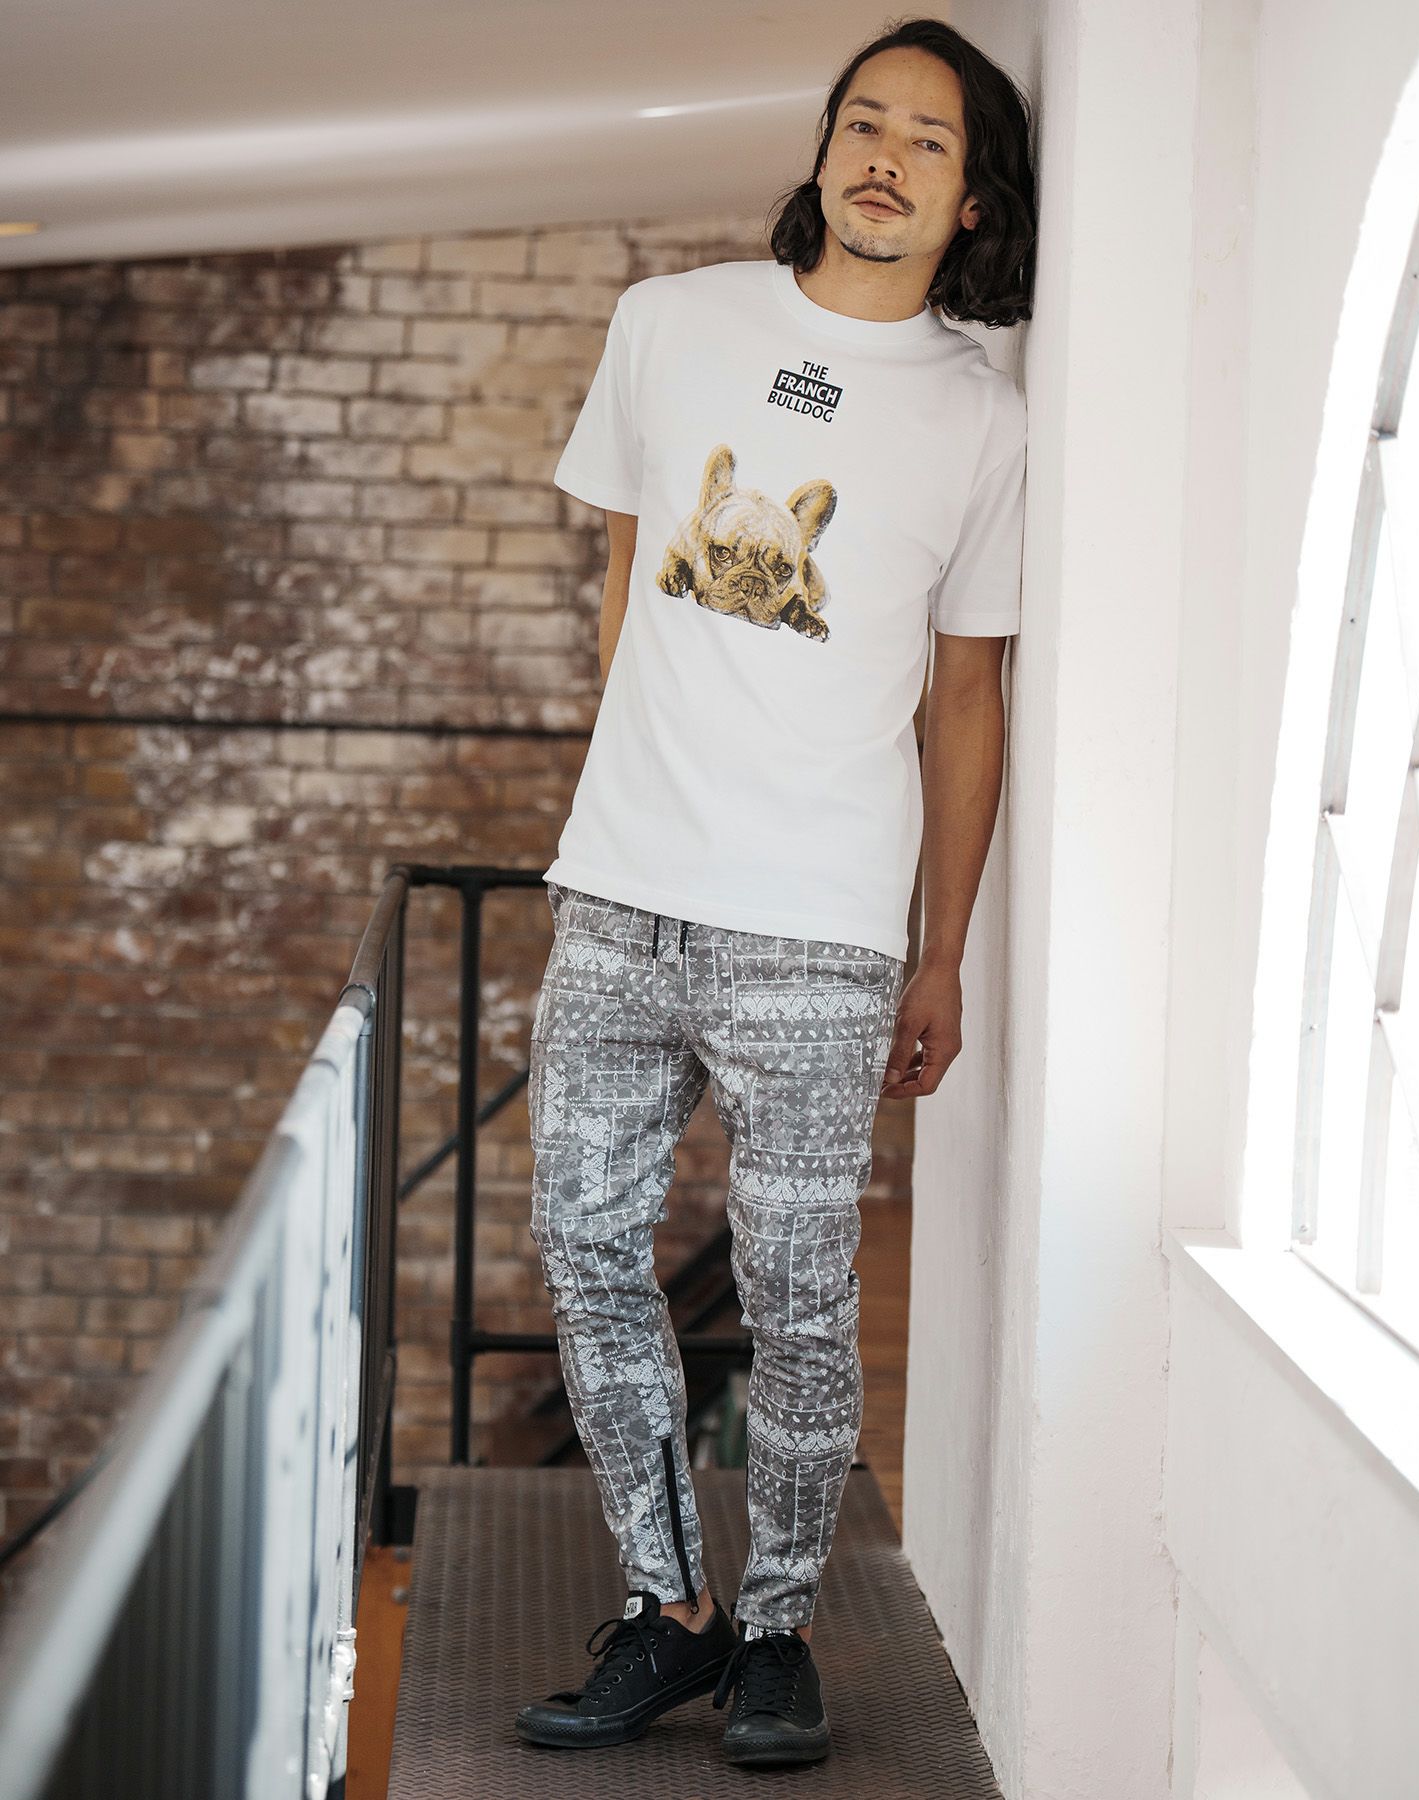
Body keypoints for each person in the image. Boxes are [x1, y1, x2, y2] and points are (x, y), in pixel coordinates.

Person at [514, 13, 1036, 1770]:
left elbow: (967, 698)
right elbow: (624, 586)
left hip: (822, 922)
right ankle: (666, 1609)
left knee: (800, 1289)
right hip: (620, 894)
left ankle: (779, 1629)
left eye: (930, 141)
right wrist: (635, 790)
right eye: (864, 121)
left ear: (971, 202)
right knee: (586, 1244)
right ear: (823, 149)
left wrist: (940, 954)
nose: (886, 156)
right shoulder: (669, 325)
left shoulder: (981, 418)